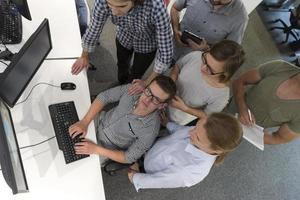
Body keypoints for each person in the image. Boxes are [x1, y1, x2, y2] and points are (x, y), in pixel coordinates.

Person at [68, 75, 176, 164]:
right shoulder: (134, 90)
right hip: (99, 120)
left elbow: (128, 157)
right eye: (148, 92)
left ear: (162, 106)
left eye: (155, 99)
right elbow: (105, 96)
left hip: (105, 147)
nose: (147, 99)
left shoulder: (150, 130)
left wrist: (95, 149)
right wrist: (84, 122)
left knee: (74, 163)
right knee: (66, 129)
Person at [127, 112, 242, 191]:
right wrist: (168, 124)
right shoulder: (200, 132)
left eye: (197, 137)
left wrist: (135, 177)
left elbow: (159, 181)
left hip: (147, 167)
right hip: (155, 146)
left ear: (216, 149)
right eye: (195, 127)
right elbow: (181, 130)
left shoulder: (191, 172)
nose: (190, 133)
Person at [71, 0, 173, 85]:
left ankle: (129, 87)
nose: (114, 12)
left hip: (147, 44)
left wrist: (147, 82)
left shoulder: (156, 7)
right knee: (122, 65)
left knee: (136, 73)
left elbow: (165, 52)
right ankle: (122, 83)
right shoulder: (102, 1)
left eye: (122, 6)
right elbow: (94, 29)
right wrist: (84, 56)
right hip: (124, 37)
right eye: (110, 5)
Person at [168, 40, 245, 126]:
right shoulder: (196, 56)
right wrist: (171, 84)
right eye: (205, 60)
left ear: (225, 74)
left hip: (175, 118)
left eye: (211, 70)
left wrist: (184, 108)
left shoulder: (221, 95)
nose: (203, 68)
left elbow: (207, 115)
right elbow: (177, 66)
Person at [231, 60, 300, 145]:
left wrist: (242, 131)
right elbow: (239, 81)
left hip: (234, 135)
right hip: (225, 108)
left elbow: (278, 138)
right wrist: (242, 107)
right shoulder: (279, 66)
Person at [170, 0, 248, 60]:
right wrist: (176, 29)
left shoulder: (240, 18)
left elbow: (230, 53)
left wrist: (207, 50)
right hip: (169, 47)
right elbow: (175, 8)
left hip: (194, 63)